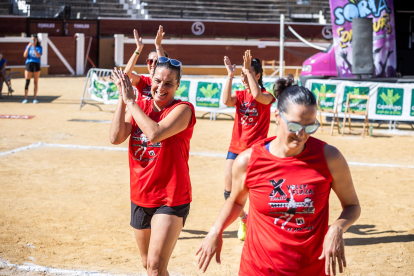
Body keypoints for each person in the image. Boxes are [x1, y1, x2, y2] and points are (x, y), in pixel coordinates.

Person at [196, 79, 361, 275]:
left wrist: (337, 227)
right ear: (277, 116)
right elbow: (236, 201)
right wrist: (217, 229)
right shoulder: (248, 160)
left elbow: (352, 206)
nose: (301, 134)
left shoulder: (329, 157)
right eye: (295, 125)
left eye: (310, 127)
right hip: (258, 269)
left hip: (310, 269)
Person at [109, 56, 196, 276]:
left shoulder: (184, 109)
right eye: (157, 81)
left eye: (169, 83)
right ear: (151, 79)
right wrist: (122, 97)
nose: (161, 87)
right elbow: (116, 137)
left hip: (170, 197)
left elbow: (155, 133)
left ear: (177, 85)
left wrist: (131, 102)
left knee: (156, 267)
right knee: (148, 264)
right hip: (140, 195)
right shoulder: (141, 106)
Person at [222, 50, 275, 241]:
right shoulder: (240, 95)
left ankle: (261, 224)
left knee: (256, 191)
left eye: (249, 73)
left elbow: (257, 94)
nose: (244, 76)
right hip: (235, 148)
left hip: (257, 151)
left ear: (258, 75)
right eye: (243, 74)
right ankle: (244, 219)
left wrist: (247, 71)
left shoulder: (267, 95)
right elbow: (226, 101)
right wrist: (230, 75)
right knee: (229, 192)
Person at [123, 25, 167, 102]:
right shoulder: (143, 81)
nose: (153, 64)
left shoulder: (167, 83)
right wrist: (138, 49)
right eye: (150, 61)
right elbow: (126, 76)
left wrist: (158, 46)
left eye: (157, 62)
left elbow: (165, 67)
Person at [23, 34, 42, 104]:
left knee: (35, 82)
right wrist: (28, 47)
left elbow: (37, 55)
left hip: (36, 64)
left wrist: (34, 47)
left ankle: (34, 98)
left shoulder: (39, 47)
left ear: (36, 40)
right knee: (27, 81)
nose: (33, 41)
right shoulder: (27, 47)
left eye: (34, 39)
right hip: (29, 64)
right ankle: (25, 98)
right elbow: (24, 55)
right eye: (31, 39)